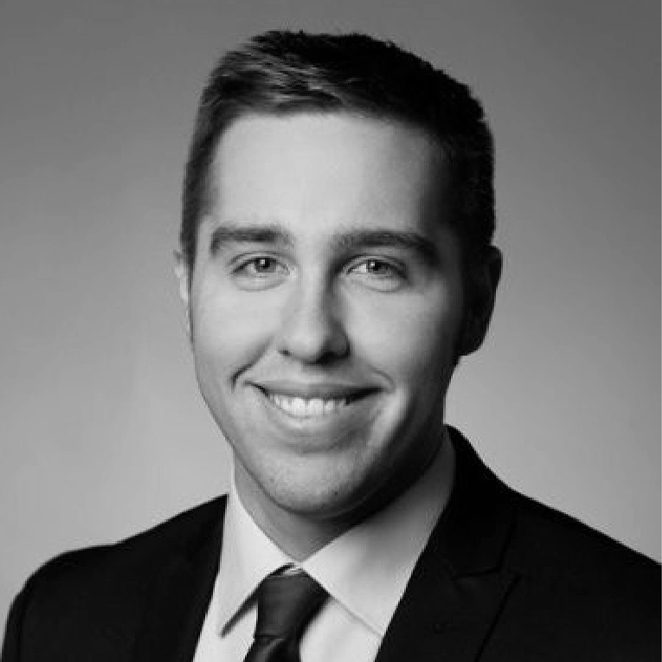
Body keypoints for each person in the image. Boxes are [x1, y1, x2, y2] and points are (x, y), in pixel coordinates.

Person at [2, 30, 659, 662]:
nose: (310, 337)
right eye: (260, 263)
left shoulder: (636, 635)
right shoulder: (61, 621)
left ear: (476, 302)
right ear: (188, 287)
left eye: (376, 267)